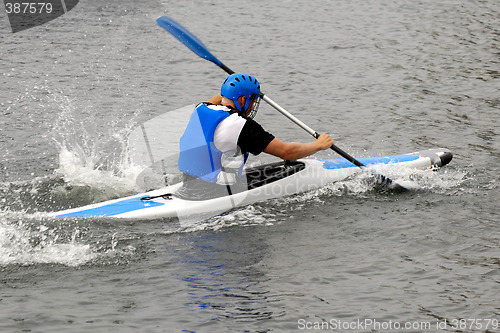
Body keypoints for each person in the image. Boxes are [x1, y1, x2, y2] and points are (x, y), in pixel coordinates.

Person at [175, 73, 333, 200]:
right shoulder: (241, 126)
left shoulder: (201, 108)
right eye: (252, 101)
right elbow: (287, 152)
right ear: (243, 100)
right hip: (215, 193)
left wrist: (236, 87)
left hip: (189, 185)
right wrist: (319, 144)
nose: (251, 108)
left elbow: (222, 98)